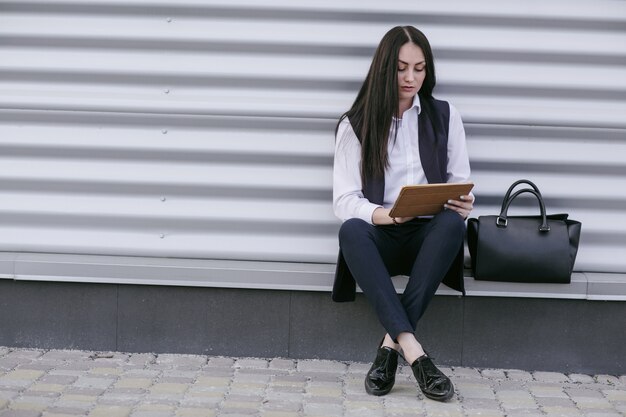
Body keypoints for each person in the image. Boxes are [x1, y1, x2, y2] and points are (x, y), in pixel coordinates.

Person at [331, 26, 474, 402]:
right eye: (401, 68)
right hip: (382, 237)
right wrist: (384, 215)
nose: (411, 78)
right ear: (384, 69)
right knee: (351, 231)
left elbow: (460, 181)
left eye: (420, 68)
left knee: (451, 223)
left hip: (429, 241)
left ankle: (390, 349)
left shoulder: (445, 116)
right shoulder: (356, 124)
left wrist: (462, 202)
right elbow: (344, 199)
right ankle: (415, 353)